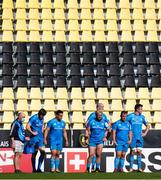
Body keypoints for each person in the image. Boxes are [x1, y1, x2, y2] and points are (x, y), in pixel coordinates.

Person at [85, 103, 110, 171]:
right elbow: (87, 125)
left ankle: (97, 168)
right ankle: (88, 168)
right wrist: (87, 135)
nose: (102, 108)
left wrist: (106, 136)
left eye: (103, 107)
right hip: (92, 139)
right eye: (101, 107)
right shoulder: (92, 116)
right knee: (91, 154)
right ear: (97, 107)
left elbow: (109, 126)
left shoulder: (104, 116)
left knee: (98, 154)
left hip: (100, 140)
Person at [126, 104, 150, 172]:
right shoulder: (130, 116)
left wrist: (145, 133)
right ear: (137, 109)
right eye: (141, 109)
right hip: (132, 137)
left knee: (139, 152)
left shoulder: (142, 117)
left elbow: (148, 125)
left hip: (139, 137)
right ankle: (131, 168)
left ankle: (139, 168)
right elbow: (124, 123)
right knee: (132, 152)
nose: (142, 110)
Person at [25, 108, 47, 172]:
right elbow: (27, 126)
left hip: (41, 137)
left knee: (42, 153)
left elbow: (42, 125)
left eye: (43, 115)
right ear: (39, 114)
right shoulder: (34, 118)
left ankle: (38, 169)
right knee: (35, 152)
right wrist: (32, 132)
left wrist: (42, 130)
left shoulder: (42, 118)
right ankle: (34, 169)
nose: (42, 117)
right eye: (42, 115)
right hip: (34, 138)